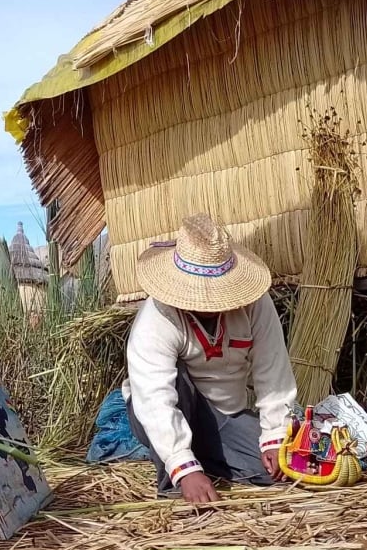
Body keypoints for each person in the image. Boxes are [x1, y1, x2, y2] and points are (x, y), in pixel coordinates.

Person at [123, 213, 297, 503]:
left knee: (280, 472)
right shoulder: (156, 318)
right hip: (168, 408)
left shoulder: (256, 305)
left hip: (227, 416)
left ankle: (207, 455)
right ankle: (177, 474)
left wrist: (275, 435)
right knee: (177, 378)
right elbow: (154, 398)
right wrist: (183, 467)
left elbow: (273, 370)